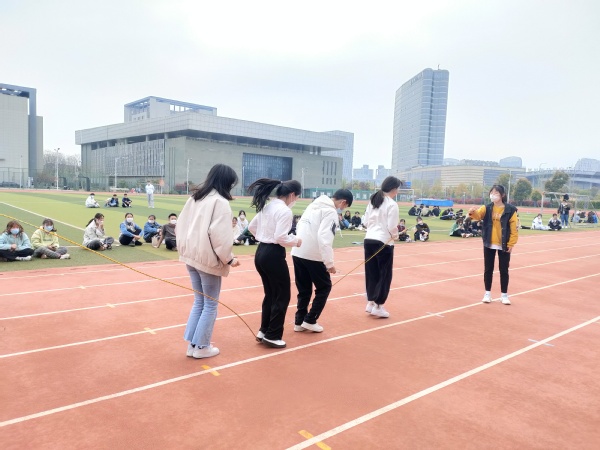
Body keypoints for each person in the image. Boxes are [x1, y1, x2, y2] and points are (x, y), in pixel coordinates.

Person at [178, 164, 241, 359]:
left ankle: (193, 345)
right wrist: (229, 259)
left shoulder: (195, 198)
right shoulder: (220, 202)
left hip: (191, 256)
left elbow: (181, 226)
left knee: (200, 302)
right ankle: (202, 346)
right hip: (207, 259)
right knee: (210, 305)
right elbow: (220, 237)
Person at [248, 178, 302, 348]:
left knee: (271, 294)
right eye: (297, 197)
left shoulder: (268, 206)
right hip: (273, 254)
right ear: (292, 195)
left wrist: (263, 237)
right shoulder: (285, 211)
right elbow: (280, 237)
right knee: (282, 295)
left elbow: (251, 227)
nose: (296, 200)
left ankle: (264, 330)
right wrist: (296, 241)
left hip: (261, 252)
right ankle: (273, 335)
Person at [291, 189, 353, 333]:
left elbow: (299, 226)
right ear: (343, 202)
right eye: (345, 206)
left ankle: (299, 321)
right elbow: (324, 237)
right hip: (313, 255)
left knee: (304, 289)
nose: (343, 209)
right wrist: (329, 263)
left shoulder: (312, 206)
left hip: (298, 251)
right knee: (324, 287)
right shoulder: (330, 212)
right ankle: (310, 319)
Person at [468, 184, 518, 305]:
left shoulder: (511, 210)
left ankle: (504, 295)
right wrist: (472, 212)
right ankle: (487, 294)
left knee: (504, 270)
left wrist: (511, 243)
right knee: (488, 269)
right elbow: (478, 216)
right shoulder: (487, 208)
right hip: (489, 243)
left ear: (502, 195)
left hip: (504, 244)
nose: (493, 195)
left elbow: (514, 228)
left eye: (496, 193)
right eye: (491, 193)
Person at [363, 176, 402, 318]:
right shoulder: (392, 204)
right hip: (383, 242)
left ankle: (371, 302)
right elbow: (392, 226)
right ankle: (378, 305)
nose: (398, 191)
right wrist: (395, 235)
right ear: (393, 189)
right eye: (398, 189)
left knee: (371, 272)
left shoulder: (373, 201)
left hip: (369, 239)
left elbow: (365, 222)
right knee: (384, 275)